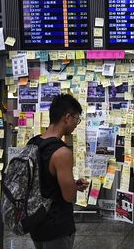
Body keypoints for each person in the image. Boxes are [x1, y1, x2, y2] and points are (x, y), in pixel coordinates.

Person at [29, 94, 89, 249]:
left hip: (35, 222)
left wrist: (72, 183)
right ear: (67, 117)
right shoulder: (62, 153)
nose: (76, 124)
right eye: (77, 119)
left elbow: (43, 181)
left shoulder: (33, 143)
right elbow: (68, 196)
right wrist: (73, 187)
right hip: (57, 226)